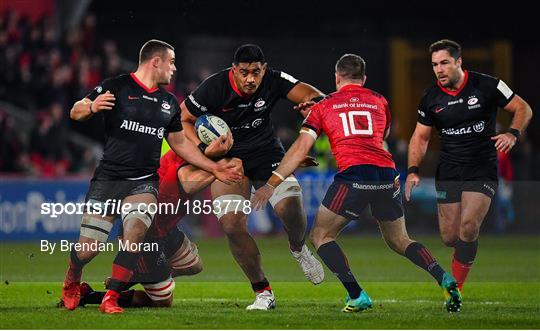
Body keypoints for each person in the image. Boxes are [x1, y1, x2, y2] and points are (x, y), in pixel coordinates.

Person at [252, 54, 462, 313]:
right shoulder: (379, 100)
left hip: (355, 174)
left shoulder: (324, 105)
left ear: (337, 77)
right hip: (387, 174)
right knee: (400, 240)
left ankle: (356, 295)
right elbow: (380, 135)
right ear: (363, 79)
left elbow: (300, 148)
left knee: (320, 236)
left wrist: (272, 183)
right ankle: (445, 278)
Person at [62, 39, 242, 314]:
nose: (174, 68)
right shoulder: (117, 86)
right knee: (88, 250)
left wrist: (213, 166)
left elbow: (181, 144)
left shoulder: (169, 103)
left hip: (144, 182)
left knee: (135, 234)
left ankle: (110, 297)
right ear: (155, 62)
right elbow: (75, 111)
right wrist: (91, 107)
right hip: (109, 179)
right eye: (171, 62)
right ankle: (73, 276)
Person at [180, 44, 325, 310]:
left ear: (264, 70)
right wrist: (204, 150)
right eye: (244, 72)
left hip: (266, 153)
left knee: (291, 207)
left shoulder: (273, 80)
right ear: (234, 70)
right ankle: (263, 292)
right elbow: (183, 118)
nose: (250, 79)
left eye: (256, 72)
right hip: (228, 159)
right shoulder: (214, 87)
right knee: (232, 226)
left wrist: (313, 106)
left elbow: (316, 96)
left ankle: (298, 248)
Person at [405, 39, 533, 291]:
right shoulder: (430, 97)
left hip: (481, 167)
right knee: (449, 237)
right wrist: (412, 171)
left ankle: (455, 291)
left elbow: (523, 108)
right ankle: (460, 262)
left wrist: (513, 133)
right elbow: (420, 137)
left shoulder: (487, 85)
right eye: (434, 65)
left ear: (459, 62)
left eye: (444, 63)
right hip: (449, 169)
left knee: (468, 227)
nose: (439, 69)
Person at [62, 150, 244, 308]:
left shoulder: (189, 152)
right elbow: (188, 183)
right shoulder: (185, 162)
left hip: (165, 228)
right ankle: (91, 296)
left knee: (194, 265)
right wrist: (222, 169)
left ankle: (133, 277)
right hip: (146, 236)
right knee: (162, 301)